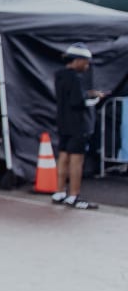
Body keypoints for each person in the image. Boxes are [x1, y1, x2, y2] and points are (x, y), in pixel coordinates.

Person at [51, 43, 104, 210]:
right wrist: (93, 100)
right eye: (86, 62)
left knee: (63, 156)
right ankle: (74, 196)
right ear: (78, 60)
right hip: (78, 125)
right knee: (76, 160)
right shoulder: (76, 78)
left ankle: (59, 192)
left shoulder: (60, 75)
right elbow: (77, 101)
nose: (87, 66)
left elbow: (69, 97)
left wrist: (88, 93)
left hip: (63, 122)